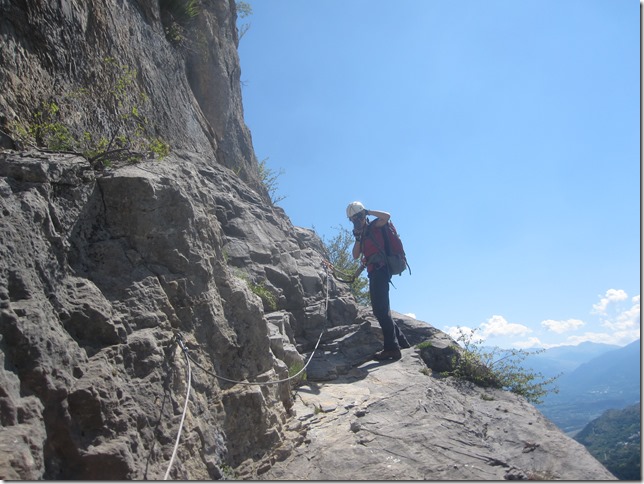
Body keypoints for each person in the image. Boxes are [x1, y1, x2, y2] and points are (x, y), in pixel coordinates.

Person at [347, 201, 410, 361]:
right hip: (374, 272)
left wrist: (368, 212)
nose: (357, 220)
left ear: (364, 215)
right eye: (354, 219)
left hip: (381, 269)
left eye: (359, 216)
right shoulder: (362, 235)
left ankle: (392, 348)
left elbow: (387, 216)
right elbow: (356, 256)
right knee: (382, 309)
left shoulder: (376, 225)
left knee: (380, 310)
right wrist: (357, 237)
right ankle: (402, 343)